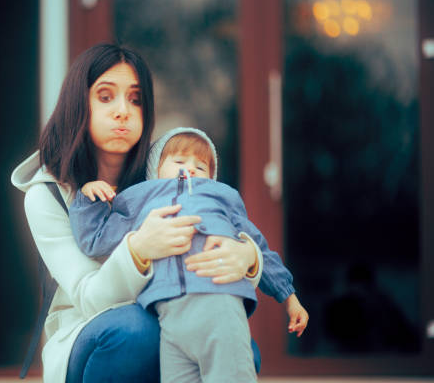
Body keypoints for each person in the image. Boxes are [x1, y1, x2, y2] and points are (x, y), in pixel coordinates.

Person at [10, 44, 265, 383]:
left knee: (240, 348)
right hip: (90, 332)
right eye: (105, 97)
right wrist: (139, 250)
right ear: (78, 104)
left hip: (169, 313)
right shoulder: (48, 195)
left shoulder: (163, 173)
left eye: (135, 99)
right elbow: (88, 297)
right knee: (136, 331)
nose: (122, 111)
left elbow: (218, 232)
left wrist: (248, 256)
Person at [69, 127, 309, 382]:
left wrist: (289, 297)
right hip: (168, 316)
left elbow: (258, 246)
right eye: (180, 161)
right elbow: (95, 239)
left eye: (202, 167)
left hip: (219, 304)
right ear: (155, 171)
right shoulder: (139, 203)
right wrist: (88, 198)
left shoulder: (221, 198)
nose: (191, 169)